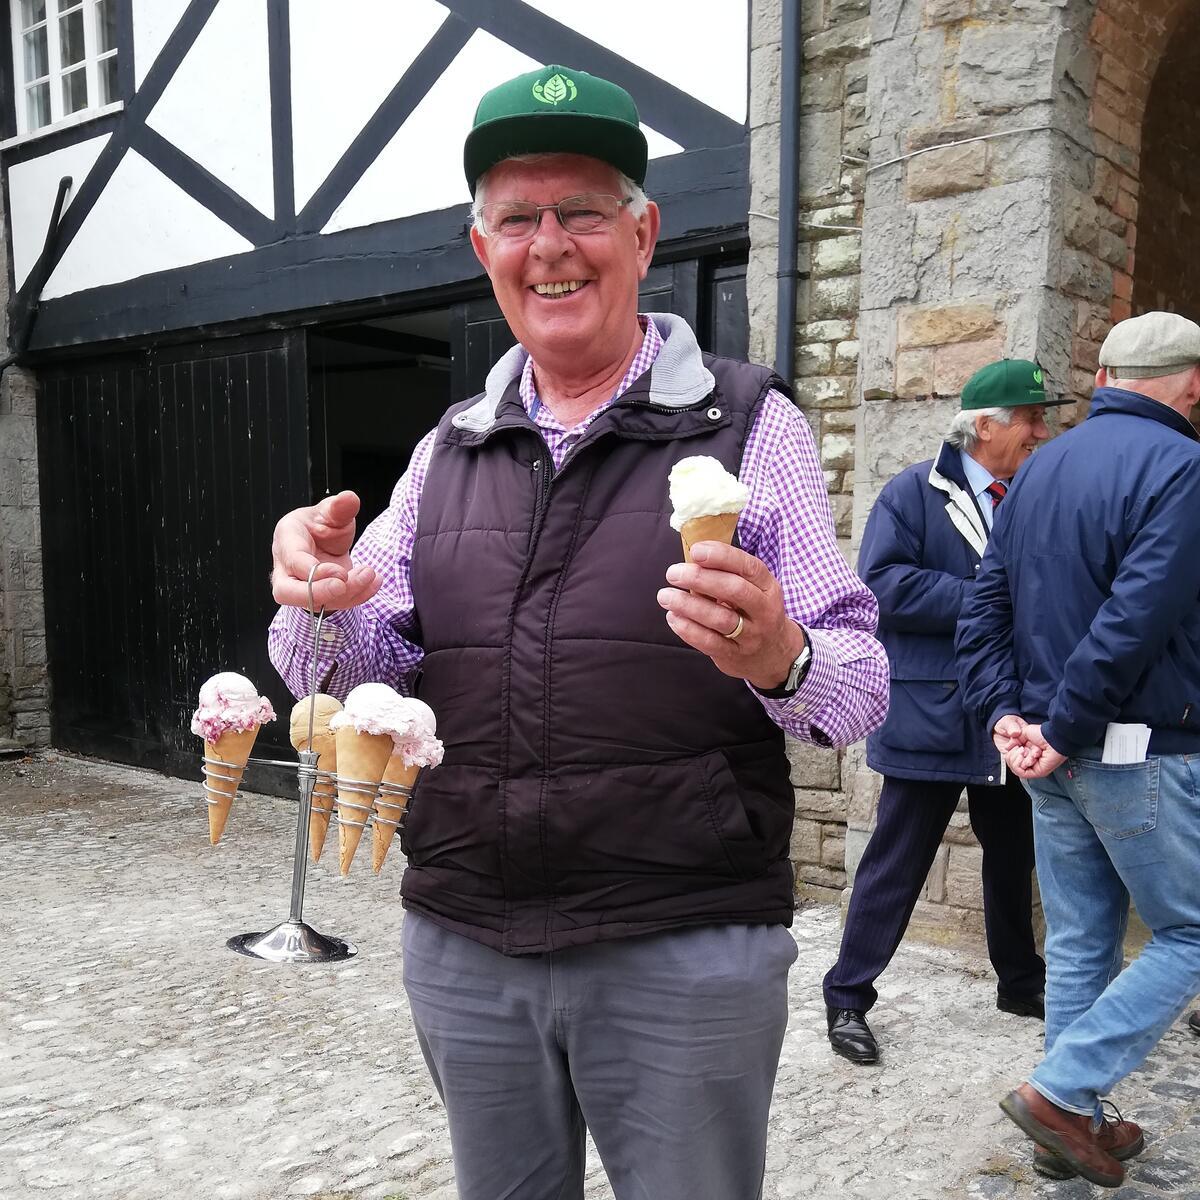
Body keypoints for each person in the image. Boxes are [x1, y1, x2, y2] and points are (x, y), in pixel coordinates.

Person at [267, 65, 889, 1200]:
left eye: (583, 213)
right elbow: (363, 674)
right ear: (483, 249)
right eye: (518, 218)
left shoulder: (751, 423)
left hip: (682, 941)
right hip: (467, 936)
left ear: (642, 234)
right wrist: (315, 600)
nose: (550, 244)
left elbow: (857, 688)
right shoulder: (444, 450)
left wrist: (779, 656)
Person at [956, 311, 1200, 1188]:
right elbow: (1135, 621)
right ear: (1193, 383)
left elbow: (985, 606)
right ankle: (1062, 1095)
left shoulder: (1040, 466)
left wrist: (1005, 717)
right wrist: (1053, 727)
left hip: (1052, 757)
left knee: (1085, 938)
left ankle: (1066, 1129)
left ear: (1102, 380)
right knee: (1192, 931)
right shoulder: (1185, 467)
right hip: (1132, 750)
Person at [822, 361, 1054, 1064]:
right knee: (895, 861)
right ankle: (846, 1000)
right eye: (1030, 419)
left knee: (1014, 859)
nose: (1042, 431)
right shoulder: (910, 493)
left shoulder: (1035, 492)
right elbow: (883, 586)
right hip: (930, 712)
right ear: (986, 427)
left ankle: (1020, 983)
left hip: (1006, 712)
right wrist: (986, 596)